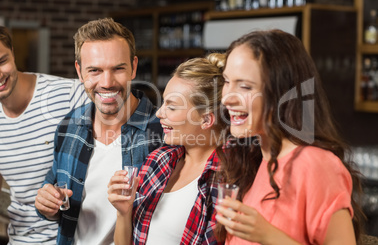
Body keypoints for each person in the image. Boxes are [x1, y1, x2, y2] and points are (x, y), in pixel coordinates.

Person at [215, 29, 364, 244]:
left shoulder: (315, 164)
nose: (227, 98)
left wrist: (269, 236)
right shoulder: (256, 159)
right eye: (226, 81)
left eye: (245, 86)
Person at [34, 17, 163, 245]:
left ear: (133, 67)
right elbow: (55, 188)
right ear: (79, 71)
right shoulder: (69, 125)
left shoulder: (162, 131)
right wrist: (48, 204)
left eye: (118, 68)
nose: (107, 82)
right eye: (94, 70)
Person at [0, 17, 89, 244]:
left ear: (13, 53)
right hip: (21, 238)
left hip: (76, 237)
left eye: (2, 61)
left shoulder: (69, 95)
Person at [108, 53, 228, 245]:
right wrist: (123, 211)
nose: (159, 113)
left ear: (206, 119)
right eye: (163, 103)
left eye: (171, 107)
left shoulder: (226, 179)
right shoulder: (158, 160)